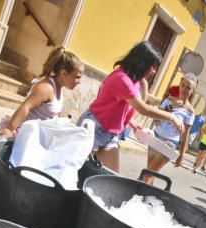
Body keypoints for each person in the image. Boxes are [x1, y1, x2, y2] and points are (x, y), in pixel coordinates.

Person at [77, 41, 182, 173]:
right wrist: (171, 117)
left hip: (110, 135)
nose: (154, 71)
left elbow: (127, 108)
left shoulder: (134, 81)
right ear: (142, 63)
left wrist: (132, 124)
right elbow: (143, 109)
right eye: (153, 67)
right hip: (94, 128)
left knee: (110, 179)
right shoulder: (122, 79)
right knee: (76, 174)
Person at [0, 47, 84, 138]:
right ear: (64, 73)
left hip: (37, 138)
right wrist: (10, 129)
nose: (79, 82)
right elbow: (26, 107)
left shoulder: (59, 88)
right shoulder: (46, 88)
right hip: (24, 137)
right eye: (77, 77)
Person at [141, 72, 197, 183]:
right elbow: (156, 119)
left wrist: (181, 155)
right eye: (183, 85)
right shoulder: (169, 100)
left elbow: (186, 134)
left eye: (188, 88)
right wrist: (171, 106)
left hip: (170, 143)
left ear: (192, 91)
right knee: (150, 174)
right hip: (156, 136)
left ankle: (138, 195)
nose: (184, 89)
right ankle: (146, 198)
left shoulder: (190, 111)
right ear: (180, 85)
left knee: (148, 174)